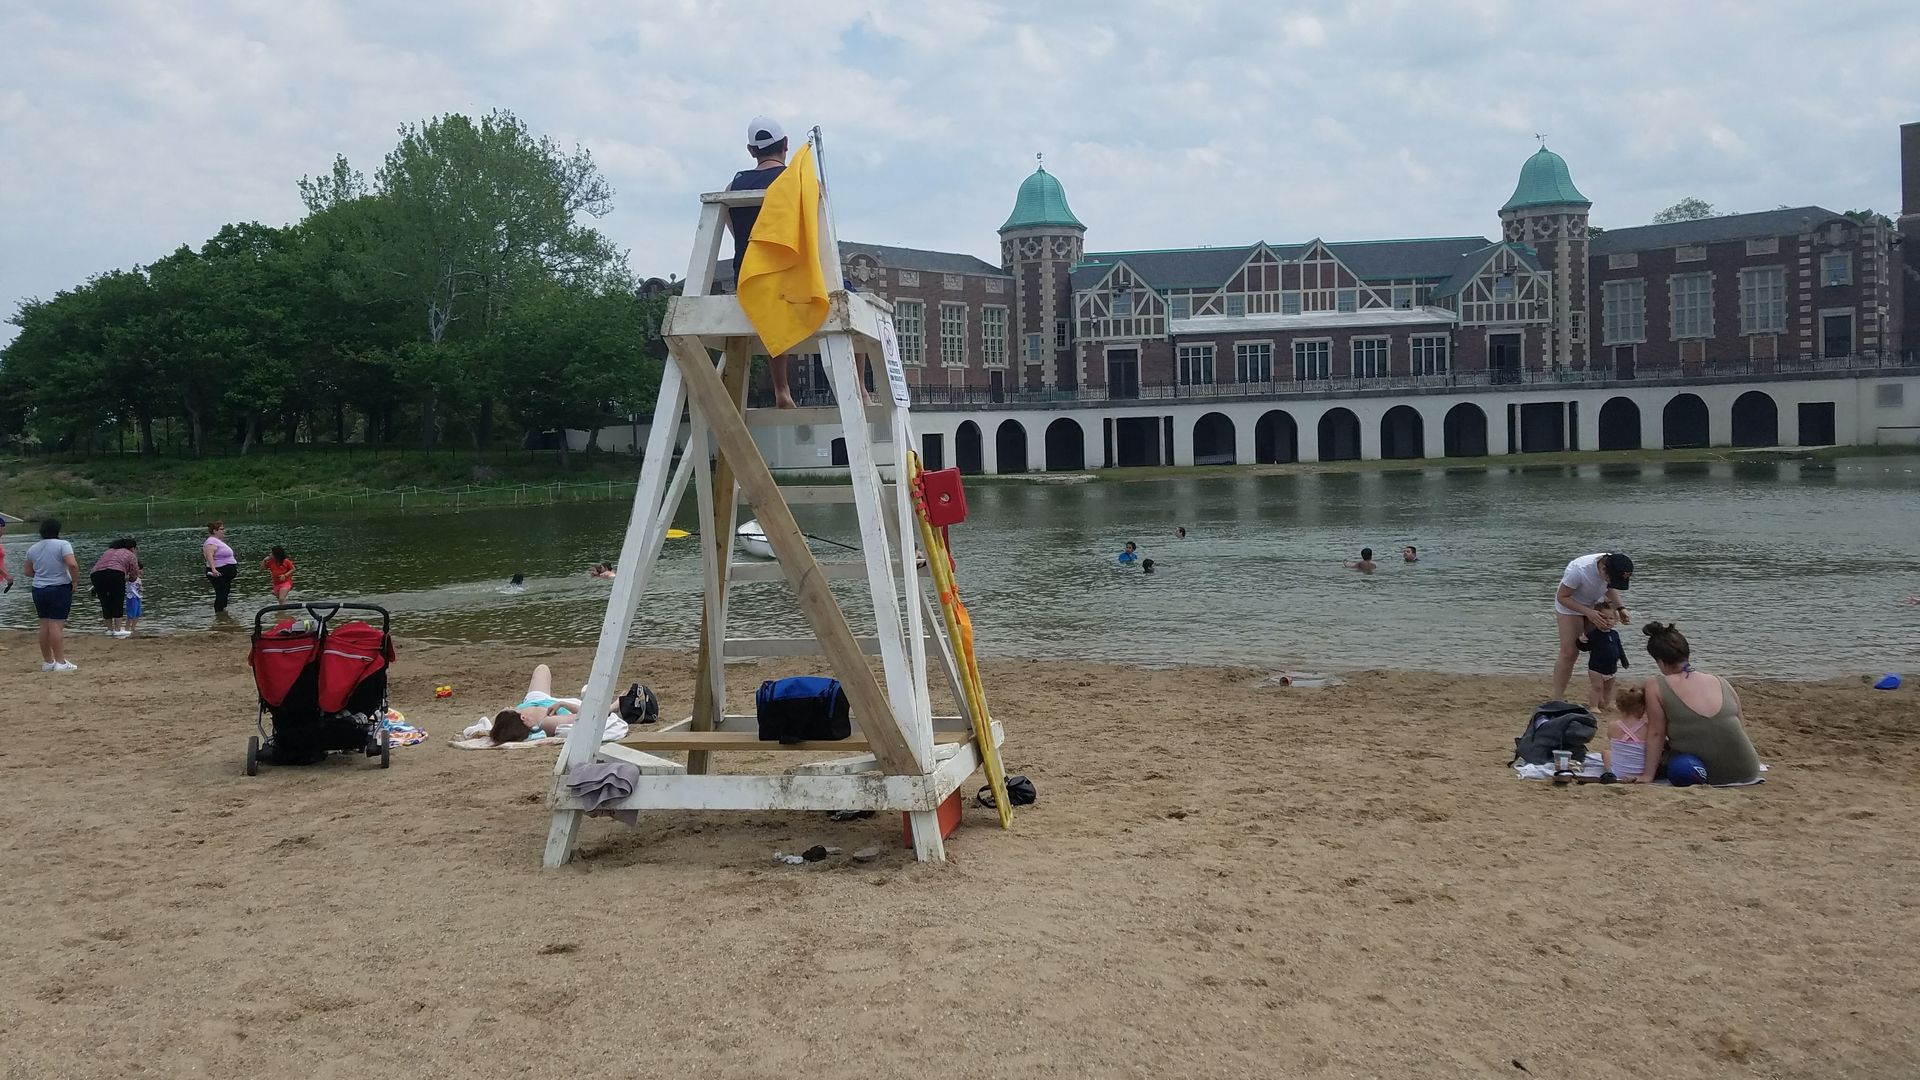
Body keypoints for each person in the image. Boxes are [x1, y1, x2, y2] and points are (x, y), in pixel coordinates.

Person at [1630, 621, 1761, 785]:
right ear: (1687, 654)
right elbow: (1740, 725)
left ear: (1660, 662)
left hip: (1701, 772)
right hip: (1747, 769)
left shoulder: (1655, 685)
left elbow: (1656, 733)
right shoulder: (1720, 681)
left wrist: (1647, 775)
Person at [726, 115, 795, 409]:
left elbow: (731, 227)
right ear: (786, 145)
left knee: (770, 302)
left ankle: (782, 388)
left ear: (751, 150)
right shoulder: (795, 180)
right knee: (855, 299)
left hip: (747, 276)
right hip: (787, 276)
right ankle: (862, 390)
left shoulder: (733, 185)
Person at [1551, 552, 1632, 697]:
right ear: (1603, 569)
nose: (1612, 582)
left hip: (1594, 603)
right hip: (1569, 605)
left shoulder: (1615, 563)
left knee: (1602, 647)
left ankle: (1599, 695)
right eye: (1611, 578)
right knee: (1569, 652)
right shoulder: (1579, 570)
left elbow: (1610, 588)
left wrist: (1621, 608)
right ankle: (1557, 697)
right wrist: (1588, 613)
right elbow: (1562, 597)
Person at [23, 518, 79, 671]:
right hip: (59, 587)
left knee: (44, 624)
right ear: (58, 530)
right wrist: (74, 581)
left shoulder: (33, 548)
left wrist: (42, 574)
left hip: (39, 589)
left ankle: (48, 661)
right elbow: (72, 564)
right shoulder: (63, 545)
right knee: (56, 625)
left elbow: (27, 571)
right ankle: (60, 662)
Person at [490, 664, 582, 744]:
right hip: (555, 705)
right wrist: (563, 704)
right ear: (523, 717)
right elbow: (585, 715)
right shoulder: (547, 723)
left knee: (542, 668)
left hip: (533, 700)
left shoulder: (510, 722)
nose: (509, 707)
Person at [1576, 598, 1631, 711]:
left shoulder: (1615, 634)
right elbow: (1585, 648)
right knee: (1597, 687)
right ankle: (1594, 706)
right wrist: (1581, 641)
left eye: (1611, 618)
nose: (1608, 621)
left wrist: (1624, 660)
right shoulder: (1594, 635)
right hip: (1596, 669)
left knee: (1609, 688)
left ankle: (1607, 704)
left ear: (1615, 620)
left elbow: (1619, 649)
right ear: (1595, 619)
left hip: (1612, 669)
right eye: (1604, 618)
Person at [90, 537, 140, 638]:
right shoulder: (130, 554)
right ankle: (117, 630)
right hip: (115, 573)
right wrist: (129, 579)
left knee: (105, 602)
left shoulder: (108, 551)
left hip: (96, 575)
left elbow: (100, 565)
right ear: (132, 548)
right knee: (117, 600)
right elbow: (134, 573)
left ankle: (109, 629)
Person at [1602, 685, 1649, 783]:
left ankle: (1608, 772)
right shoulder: (1647, 727)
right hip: (1641, 772)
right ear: (1642, 707)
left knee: (1606, 752)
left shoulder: (1613, 726)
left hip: (1619, 772)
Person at [203, 522, 239, 615]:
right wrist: (213, 569)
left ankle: (222, 616)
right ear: (215, 531)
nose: (224, 531)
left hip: (224, 571)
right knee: (221, 593)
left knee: (224, 592)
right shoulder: (211, 542)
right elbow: (209, 555)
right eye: (221, 529)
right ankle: (219, 613)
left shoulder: (217, 541)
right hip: (218, 571)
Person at [124, 570, 144, 635]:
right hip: (131, 597)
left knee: (137, 613)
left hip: (138, 596)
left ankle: (133, 628)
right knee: (130, 615)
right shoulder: (129, 578)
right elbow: (129, 578)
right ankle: (127, 629)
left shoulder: (138, 578)